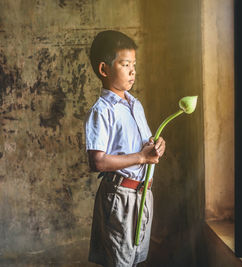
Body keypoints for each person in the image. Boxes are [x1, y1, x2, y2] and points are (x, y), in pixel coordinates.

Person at [84, 30, 166, 267]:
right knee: (120, 262)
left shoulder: (134, 104)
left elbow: (146, 144)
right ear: (104, 69)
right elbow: (97, 162)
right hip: (120, 196)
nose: (133, 70)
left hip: (142, 195)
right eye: (125, 64)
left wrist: (158, 146)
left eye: (134, 64)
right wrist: (141, 157)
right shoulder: (102, 110)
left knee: (134, 259)